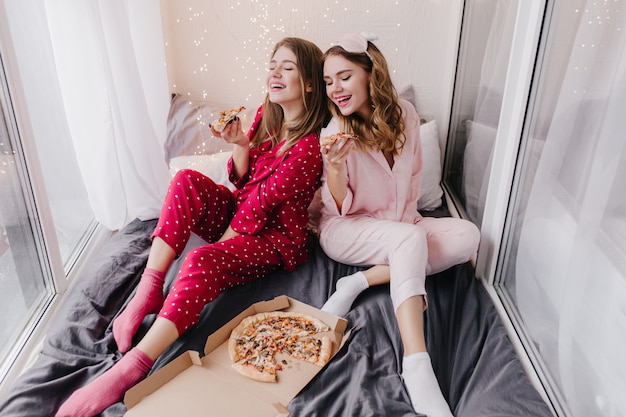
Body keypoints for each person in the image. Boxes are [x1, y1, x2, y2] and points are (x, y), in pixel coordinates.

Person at [55, 37, 329, 417]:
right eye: (272, 64)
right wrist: (239, 143)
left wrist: (223, 246)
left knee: (201, 260)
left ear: (310, 83)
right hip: (242, 211)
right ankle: (148, 291)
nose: (274, 73)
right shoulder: (267, 116)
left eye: (287, 67)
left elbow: (261, 206)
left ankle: (134, 365)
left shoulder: (308, 148)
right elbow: (239, 181)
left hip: (274, 239)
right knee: (185, 179)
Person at [318, 33, 480, 417]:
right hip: (347, 230)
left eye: (343, 77)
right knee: (410, 240)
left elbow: (414, 178)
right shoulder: (334, 132)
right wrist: (336, 165)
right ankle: (417, 364)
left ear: (370, 74)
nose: (335, 89)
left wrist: (409, 225)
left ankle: (359, 281)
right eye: (328, 82)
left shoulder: (405, 114)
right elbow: (338, 207)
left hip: (401, 224)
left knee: (467, 236)